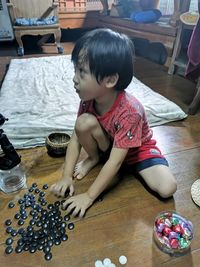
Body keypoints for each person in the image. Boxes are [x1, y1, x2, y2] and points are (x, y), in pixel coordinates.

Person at [50, 28, 177, 218]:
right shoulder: (88, 99)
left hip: (137, 152)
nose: (74, 78)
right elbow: (76, 139)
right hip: (110, 146)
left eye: (82, 72)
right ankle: (94, 158)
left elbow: (116, 161)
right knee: (83, 123)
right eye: (75, 69)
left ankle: (122, 169)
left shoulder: (130, 112)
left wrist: (89, 196)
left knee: (167, 188)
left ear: (110, 80)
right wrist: (66, 176)